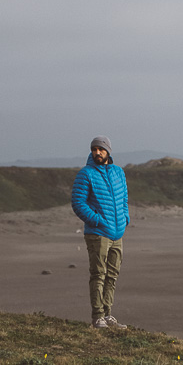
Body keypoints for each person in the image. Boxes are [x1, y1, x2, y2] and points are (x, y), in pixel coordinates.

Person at [71, 135, 130, 329]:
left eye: (101, 149)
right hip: (97, 234)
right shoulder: (85, 174)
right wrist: (97, 220)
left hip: (117, 234)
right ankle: (98, 316)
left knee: (112, 275)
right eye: (94, 149)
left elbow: (124, 199)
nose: (97, 152)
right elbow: (78, 203)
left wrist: (125, 218)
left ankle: (108, 314)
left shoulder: (118, 172)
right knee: (98, 274)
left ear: (108, 152)